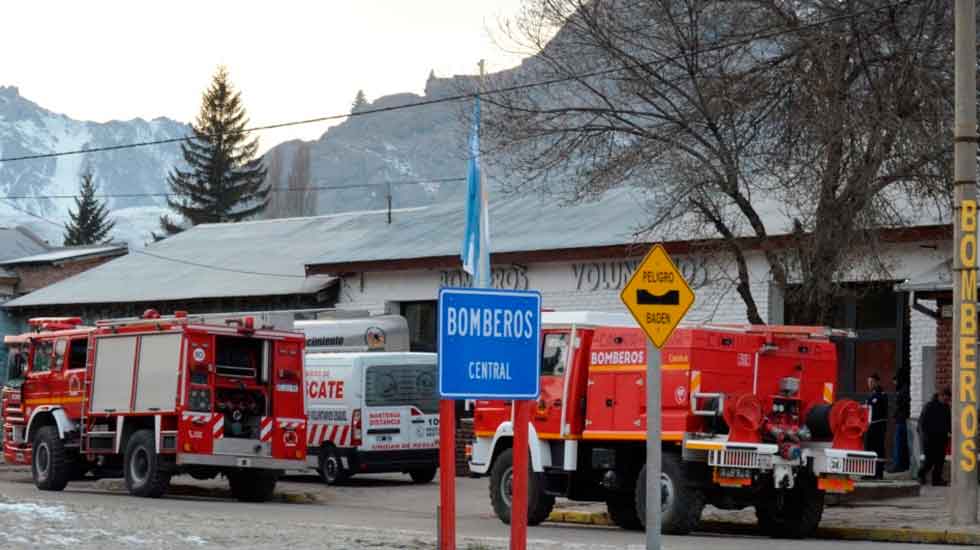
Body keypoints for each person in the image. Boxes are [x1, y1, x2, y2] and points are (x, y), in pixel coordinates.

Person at [917, 387, 952, 486]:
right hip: (929, 438)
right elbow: (921, 423)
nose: (947, 401)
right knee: (930, 460)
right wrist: (924, 436)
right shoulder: (929, 406)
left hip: (942, 437)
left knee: (940, 460)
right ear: (940, 396)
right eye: (945, 399)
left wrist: (949, 432)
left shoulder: (946, 407)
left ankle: (936, 479)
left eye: (948, 400)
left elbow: (948, 422)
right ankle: (921, 475)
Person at [864, 373, 888, 479]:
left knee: (878, 449)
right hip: (870, 426)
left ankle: (878, 473)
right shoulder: (871, 395)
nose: (869, 384)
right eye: (868, 382)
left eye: (871, 382)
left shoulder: (881, 395)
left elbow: (880, 412)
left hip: (878, 426)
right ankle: (869, 473)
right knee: (869, 449)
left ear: (877, 382)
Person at [889, 374, 911, 473]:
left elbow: (900, 406)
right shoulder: (905, 390)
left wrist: (896, 415)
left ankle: (897, 465)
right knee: (902, 443)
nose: (894, 384)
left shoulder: (903, 391)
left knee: (899, 443)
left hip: (901, 420)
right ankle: (902, 464)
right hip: (903, 420)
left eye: (895, 381)